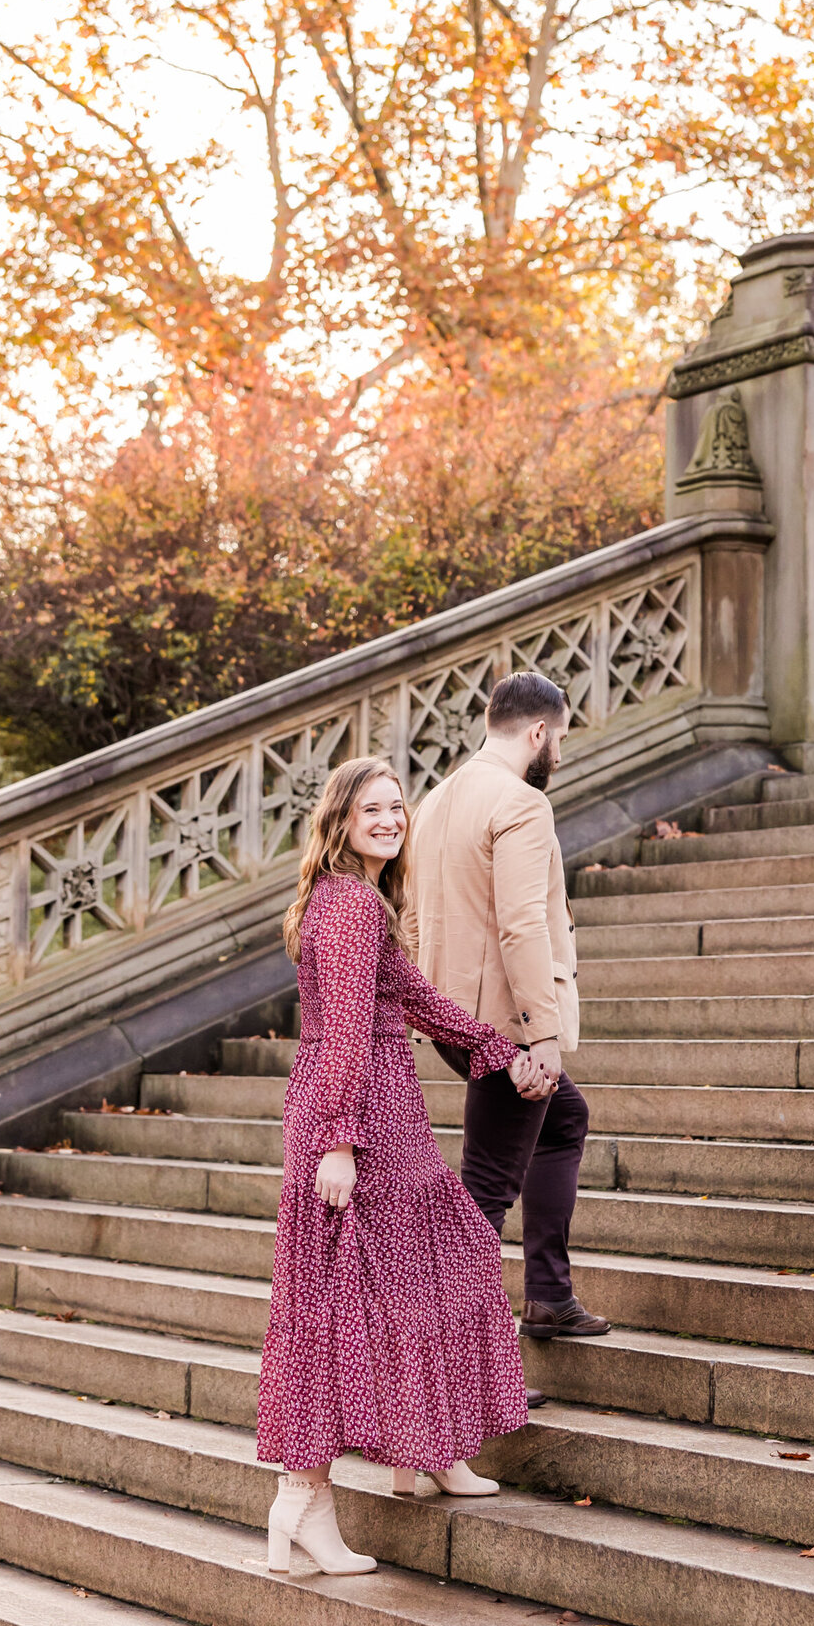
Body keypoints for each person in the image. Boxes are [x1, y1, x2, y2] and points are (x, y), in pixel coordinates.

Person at [256, 754, 551, 1578]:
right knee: (367, 1293)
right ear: (341, 821)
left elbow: (415, 998)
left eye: (397, 807)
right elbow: (349, 1027)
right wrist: (341, 1141)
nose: (390, 819)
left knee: (414, 1277)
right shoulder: (350, 905)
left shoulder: (355, 900)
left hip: (372, 1110)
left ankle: (419, 1450)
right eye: (373, 810)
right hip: (363, 1116)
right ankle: (306, 1501)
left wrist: (498, 1048)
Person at [404, 670, 609, 1342]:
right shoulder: (520, 803)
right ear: (539, 732)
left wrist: (429, 1009)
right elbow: (522, 926)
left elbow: (411, 920)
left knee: (562, 1121)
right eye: (563, 740)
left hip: (455, 1019)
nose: (562, 755)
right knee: (487, 1187)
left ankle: (549, 1294)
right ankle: (468, 1360)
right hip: (505, 1023)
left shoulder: (434, 802)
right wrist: (539, 1035)